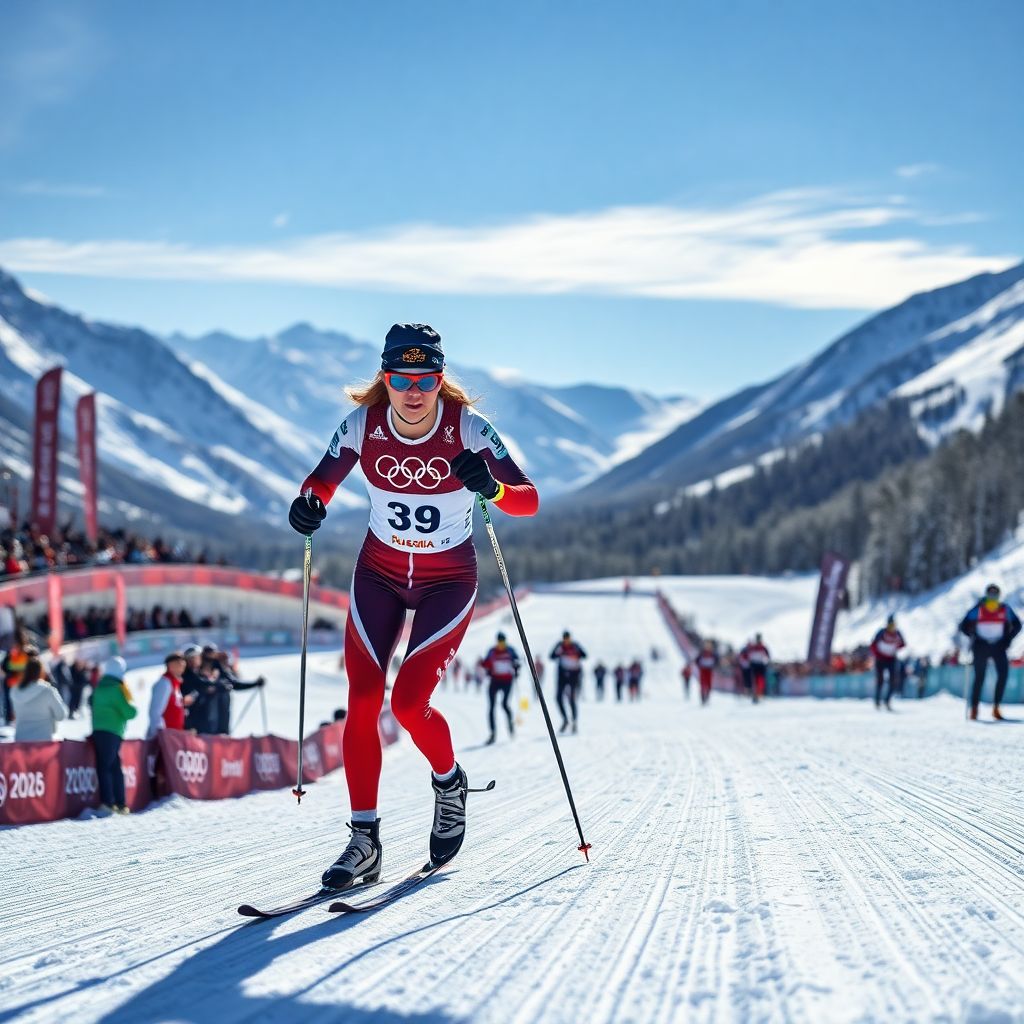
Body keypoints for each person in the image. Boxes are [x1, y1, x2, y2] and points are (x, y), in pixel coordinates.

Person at [288, 323, 539, 889]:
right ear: (386, 378)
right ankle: (364, 840)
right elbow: (319, 481)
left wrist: (493, 489)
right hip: (377, 574)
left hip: (446, 582)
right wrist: (308, 506)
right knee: (361, 700)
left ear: (440, 378)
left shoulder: (469, 428)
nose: (414, 389)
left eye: (426, 378)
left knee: (406, 704)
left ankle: (449, 782)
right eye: (402, 378)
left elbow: (529, 500)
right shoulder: (362, 424)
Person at [959, 583, 1022, 721]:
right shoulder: (978, 608)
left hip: (999, 645)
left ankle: (996, 707)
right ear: (986, 594)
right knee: (979, 677)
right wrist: (972, 635)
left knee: (1003, 674)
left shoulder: (1004, 609)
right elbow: (963, 625)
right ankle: (974, 708)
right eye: (990, 594)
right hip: (981, 645)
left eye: (995, 594)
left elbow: (1018, 624)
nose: (993, 597)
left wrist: (1008, 639)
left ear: (999, 596)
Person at [90, 656, 139, 815]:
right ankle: (113, 803)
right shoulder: (118, 688)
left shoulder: (99, 687)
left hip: (99, 729)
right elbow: (130, 712)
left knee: (109, 766)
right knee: (110, 767)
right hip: (114, 731)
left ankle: (116, 802)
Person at [11, 655, 68, 741]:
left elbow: (15, 715)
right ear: (41, 672)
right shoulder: (48, 691)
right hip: (43, 741)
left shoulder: (14, 691)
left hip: (20, 740)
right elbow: (61, 715)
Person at [479, 631, 520, 744]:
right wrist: (484, 664)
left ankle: (510, 723)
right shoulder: (492, 651)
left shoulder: (510, 650)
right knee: (491, 707)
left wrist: (516, 667)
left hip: (507, 681)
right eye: (499, 641)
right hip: (495, 681)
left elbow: (517, 661)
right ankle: (492, 734)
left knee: (504, 704)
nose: (501, 644)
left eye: (502, 641)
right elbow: (486, 663)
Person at [146, 652, 193, 738]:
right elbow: (155, 712)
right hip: (165, 738)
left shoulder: (175, 684)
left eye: (183, 664)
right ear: (170, 665)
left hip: (175, 736)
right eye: (179, 664)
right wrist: (160, 735)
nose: (182, 667)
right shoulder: (164, 683)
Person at [550, 630, 586, 733]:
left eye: (568, 638)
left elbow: (584, 655)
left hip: (574, 676)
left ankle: (574, 721)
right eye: (565, 638)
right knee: (558, 698)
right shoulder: (560, 646)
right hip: (562, 676)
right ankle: (565, 719)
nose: (566, 640)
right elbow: (551, 656)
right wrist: (558, 650)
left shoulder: (575, 646)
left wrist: (577, 653)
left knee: (572, 699)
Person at [870, 616, 906, 711]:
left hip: (891, 659)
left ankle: (887, 701)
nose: (892, 627)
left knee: (893, 681)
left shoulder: (897, 633)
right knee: (880, 681)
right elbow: (873, 645)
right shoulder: (882, 632)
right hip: (880, 659)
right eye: (890, 625)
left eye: (893, 625)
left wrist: (895, 647)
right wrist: (877, 654)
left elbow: (903, 644)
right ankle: (877, 701)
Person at [180, 644, 218, 732]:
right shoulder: (187, 674)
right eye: (194, 657)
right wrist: (214, 680)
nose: (198, 659)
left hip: (201, 716)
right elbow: (202, 684)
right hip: (191, 718)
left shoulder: (198, 672)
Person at [746, 634, 771, 704]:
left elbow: (768, 656)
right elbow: (749, 655)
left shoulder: (763, 647)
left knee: (760, 681)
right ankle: (755, 695)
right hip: (754, 665)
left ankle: (759, 694)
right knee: (755, 681)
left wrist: (765, 661)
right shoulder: (753, 647)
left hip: (761, 665)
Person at [696, 641, 717, 705]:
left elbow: (716, 661)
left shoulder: (713, 654)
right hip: (703, 670)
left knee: (709, 684)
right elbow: (697, 660)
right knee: (702, 684)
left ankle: (707, 696)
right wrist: (700, 665)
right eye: (706, 646)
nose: (708, 647)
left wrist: (713, 665)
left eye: (709, 646)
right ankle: (702, 698)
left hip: (709, 670)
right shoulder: (702, 653)